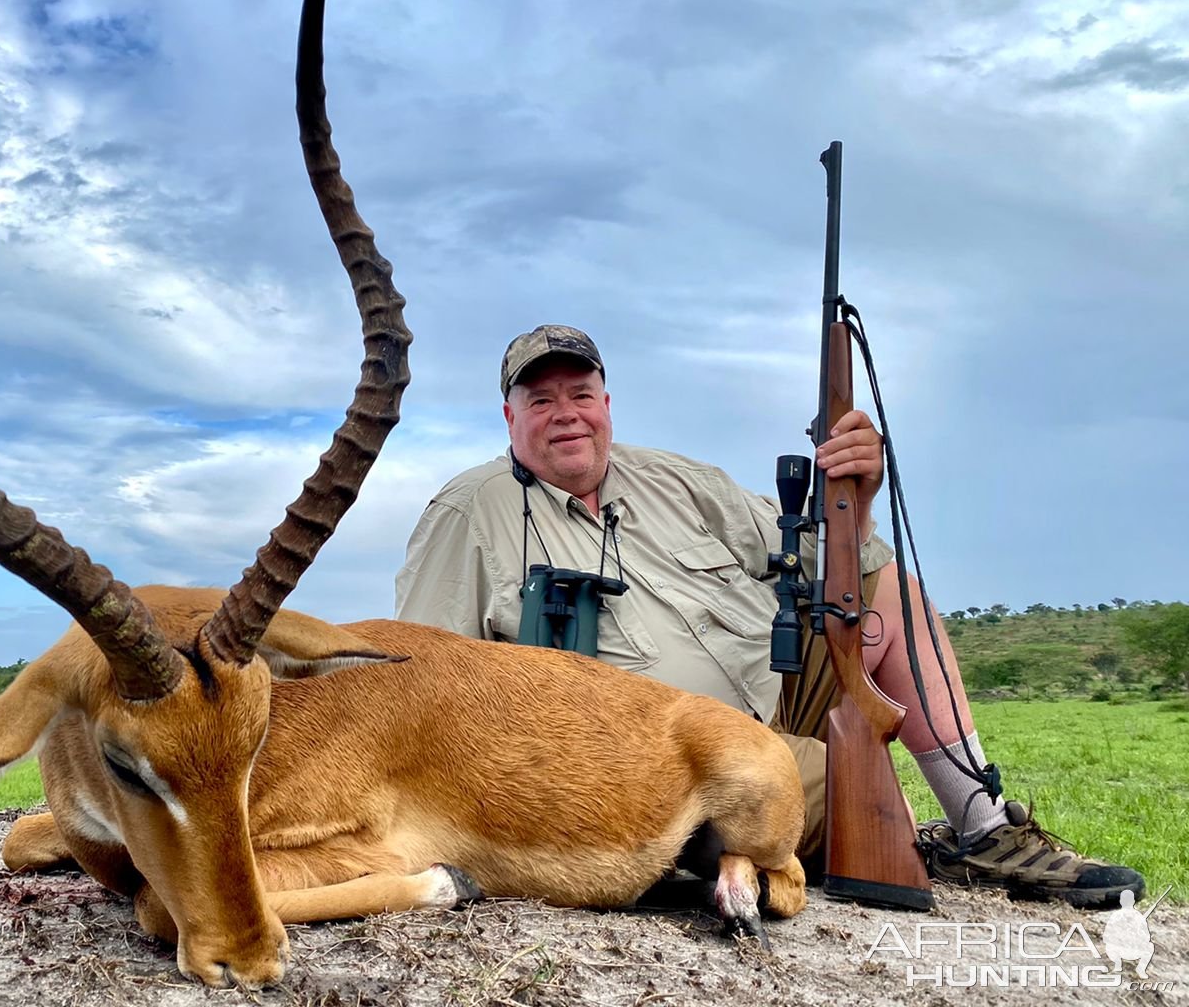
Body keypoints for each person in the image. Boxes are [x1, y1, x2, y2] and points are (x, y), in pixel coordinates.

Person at [394, 323, 1143, 908]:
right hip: (653, 768)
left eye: (580, 393)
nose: (566, 415)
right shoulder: (469, 511)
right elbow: (419, 678)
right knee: (821, 777)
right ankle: (861, 838)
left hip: (770, 695)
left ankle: (982, 830)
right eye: (541, 400)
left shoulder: (679, 481)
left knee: (891, 593)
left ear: (607, 403)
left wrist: (855, 490)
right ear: (508, 415)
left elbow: (832, 566)